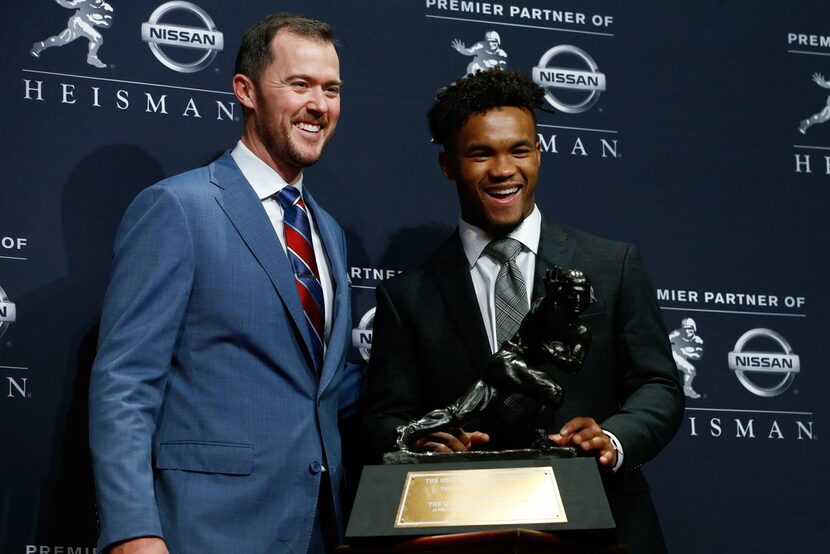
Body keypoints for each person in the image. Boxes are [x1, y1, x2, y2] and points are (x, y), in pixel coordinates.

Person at [363, 68, 684, 553]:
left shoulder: (612, 265)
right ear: (448, 165)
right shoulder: (407, 296)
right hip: (465, 531)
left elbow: (657, 385)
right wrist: (420, 447)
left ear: (539, 153)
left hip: (604, 524)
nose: (503, 169)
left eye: (518, 149)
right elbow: (384, 416)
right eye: (480, 154)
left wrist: (613, 440)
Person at [89, 13, 352, 554]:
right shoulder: (178, 208)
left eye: (331, 89)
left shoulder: (327, 231)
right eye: (299, 84)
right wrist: (133, 532)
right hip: (203, 531)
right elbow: (125, 382)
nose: (319, 105)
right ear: (245, 91)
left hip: (316, 531)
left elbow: (319, 391)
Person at [30, 0, 114, 68]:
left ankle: (40, 45)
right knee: (97, 38)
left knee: (59, 40)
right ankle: (92, 58)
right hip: (77, 22)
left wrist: (95, 20)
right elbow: (69, 4)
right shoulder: (84, 1)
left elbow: (107, 24)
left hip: (87, 25)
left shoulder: (107, 8)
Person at [669, 317, 704, 399]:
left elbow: (698, 356)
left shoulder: (698, 341)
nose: (688, 331)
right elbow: (663, 341)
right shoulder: (676, 334)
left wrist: (687, 353)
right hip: (671, 356)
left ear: (694, 329)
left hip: (682, 359)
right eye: (686, 328)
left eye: (690, 328)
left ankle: (687, 389)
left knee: (691, 370)